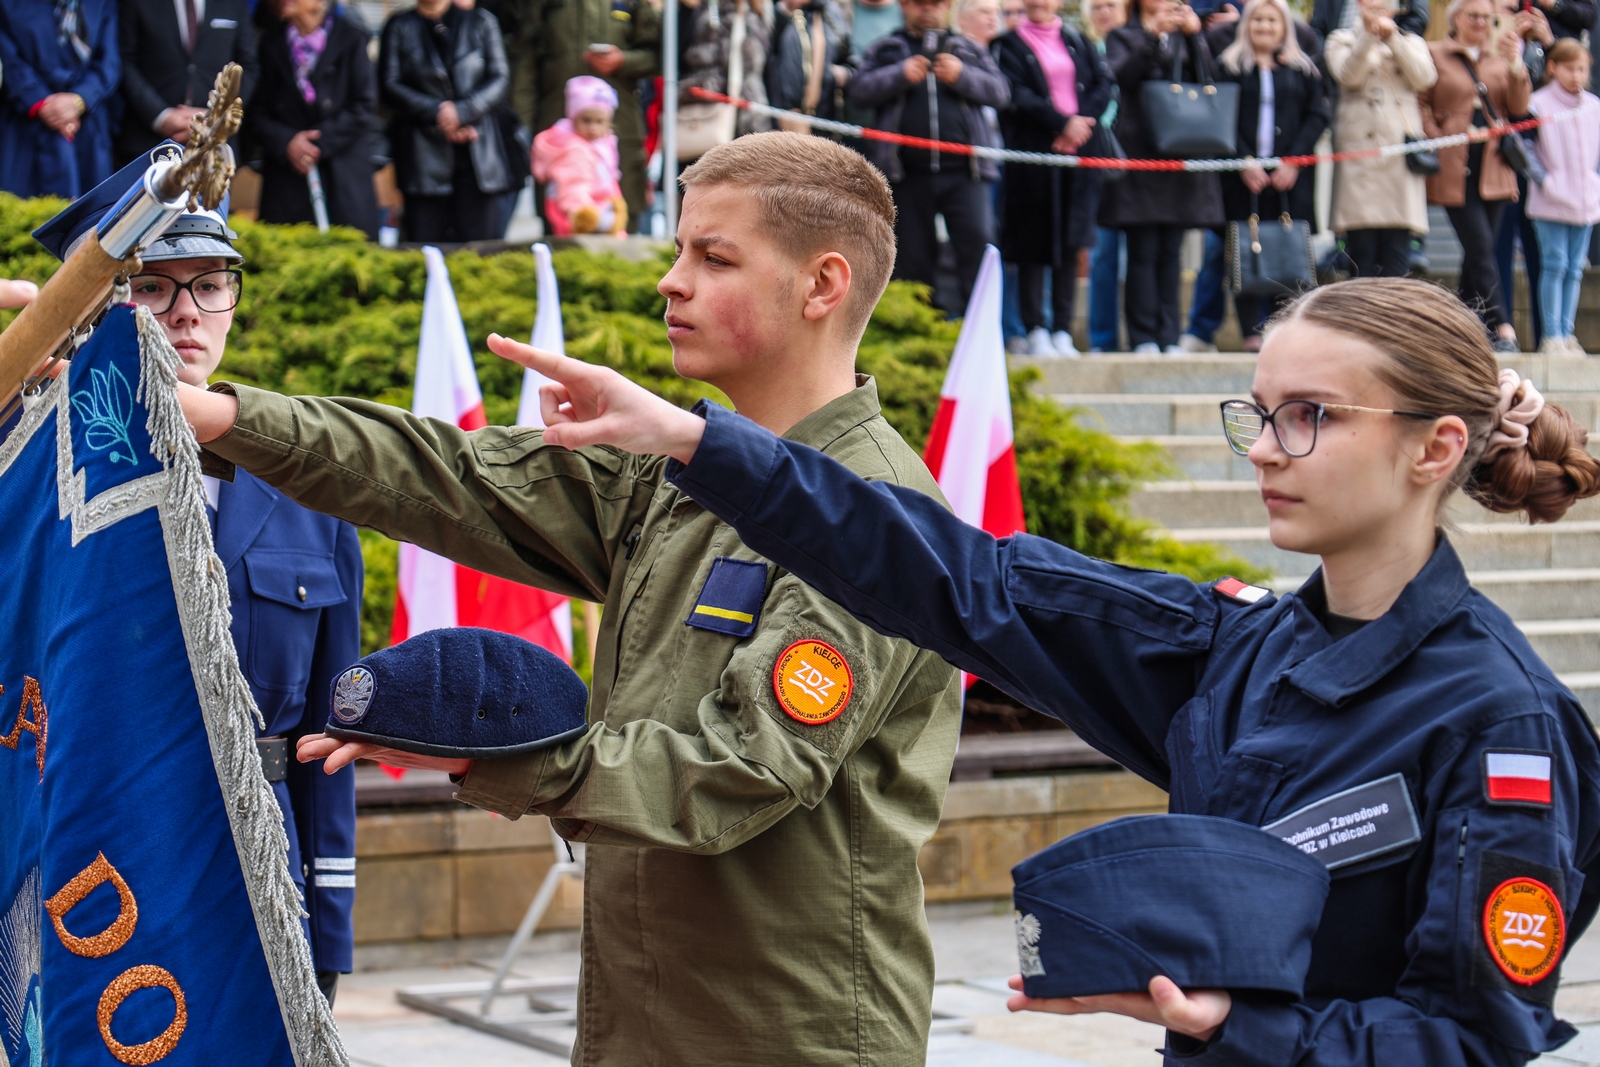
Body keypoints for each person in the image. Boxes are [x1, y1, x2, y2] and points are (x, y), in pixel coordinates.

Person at [493, 274, 1600, 1067]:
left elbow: (1472, 1035)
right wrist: (698, 442)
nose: (1266, 447)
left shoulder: (1501, 722)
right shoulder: (1235, 649)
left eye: (1311, 417)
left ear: (1434, 446)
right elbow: (960, 578)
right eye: (1261, 414)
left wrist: (1238, 1023)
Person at [174, 132, 963, 1067]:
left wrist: (494, 755)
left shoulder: (875, 518)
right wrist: (221, 416)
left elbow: (738, 770)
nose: (670, 281)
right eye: (679, 250)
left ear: (822, 285)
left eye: (714, 258)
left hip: (788, 1036)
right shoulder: (686, 472)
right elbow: (447, 476)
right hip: (639, 1020)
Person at [30, 156, 363, 1006]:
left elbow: (329, 733)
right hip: (100, 869)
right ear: (97, 309)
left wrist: (327, 919)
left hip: (260, 874)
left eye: (211, 285)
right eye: (152, 287)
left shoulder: (306, 490)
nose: (187, 312)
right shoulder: (46, 487)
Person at [852, 0, 1010, 313]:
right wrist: (900, 74)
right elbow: (859, 90)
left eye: (934, 3)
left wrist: (962, 75)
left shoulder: (967, 48)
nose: (927, 10)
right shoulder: (888, 48)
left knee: (977, 252)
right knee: (911, 260)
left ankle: (979, 330)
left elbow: (1001, 92)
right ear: (903, 6)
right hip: (906, 174)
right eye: (918, 3)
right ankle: (920, 330)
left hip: (967, 174)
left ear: (947, 6)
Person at [1100, 0, 1224, 353]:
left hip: (1181, 152)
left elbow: (1210, 82)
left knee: (1171, 251)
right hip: (1140, 154)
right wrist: (1152, 38)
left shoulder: (1188, 36)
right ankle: (1142, 337)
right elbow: (1120, 77)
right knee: (1142, 250)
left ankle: (1169, 336)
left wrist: (1195, 37)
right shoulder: (1123, 35)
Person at [992, 0, 1113, 354]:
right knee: (1033, 241)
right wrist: (1060, 124)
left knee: (1072, 241)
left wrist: (1079, 125)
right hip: (1033, 158)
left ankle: (1063, 328)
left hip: (1079, 155)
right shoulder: (1007, 45)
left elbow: (1103, 83)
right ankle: (1035, 327)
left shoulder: (1078, 40)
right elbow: (1015, 93)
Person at [1214, 0, 1329, 349]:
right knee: (1244, 249)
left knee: (1289, 250)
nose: (1264, 26)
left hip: (1290, 178)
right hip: (1242, 177)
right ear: (1246, 25)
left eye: (1272, 20)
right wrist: (1242, 160)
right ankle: (1251, 332)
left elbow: (1317, 115)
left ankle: (1285, 332)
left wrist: (1293, 160)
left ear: (1285, 27)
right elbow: (1221, 116)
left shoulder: (1302, 68)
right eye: (1258, 20)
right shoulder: (1228, 66)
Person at [1422, 0, 1532, 353]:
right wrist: (1438, 136)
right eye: (1474, 16)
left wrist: (1515, 64)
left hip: (1494, 167)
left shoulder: (1499, 59)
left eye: (1487, 18)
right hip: (1455, 167)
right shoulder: (1434, 53)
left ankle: (1459, 329)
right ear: (1456, 18)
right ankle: (1502, 327)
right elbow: (1421, 101)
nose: (1481, 23)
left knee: (1476, 254)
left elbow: (1518, 108)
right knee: (1481, 247)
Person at [379, 0, 514, 243]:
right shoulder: (399, 26)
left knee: (481, 248)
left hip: (478, 152)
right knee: (427, 245)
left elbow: (500, 78)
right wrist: (438, 112)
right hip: (423, 155)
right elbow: (389, 84)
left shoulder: (481, 22)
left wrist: (463, 111)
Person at [520, 0, 660, 229]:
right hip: (556, 125)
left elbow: (662, 53)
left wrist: (624, 61)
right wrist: (523, 127)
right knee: (561, 218)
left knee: (621, 217)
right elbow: (525, 56)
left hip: (619, 129)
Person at [249, 0, 379, 237]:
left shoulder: (352, 39)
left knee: (348, 250)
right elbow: (256, 111)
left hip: (343, 174)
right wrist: (288, 142)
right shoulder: (270, 42)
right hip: (287, 178)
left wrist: (315, 143)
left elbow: (363, 104)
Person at [1326, 0, 1436, 280]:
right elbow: (1348, 76)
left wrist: (1393, 38)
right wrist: (1367, 36)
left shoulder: (1411, 40)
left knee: (1396, 252)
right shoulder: (1341, 39)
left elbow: (1425, 77)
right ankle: (1360, 309)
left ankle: (1393, 308)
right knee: (1361, 252)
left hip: (1397, 154)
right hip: (1358, 155)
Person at [0, 0, 120, 199]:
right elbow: (10, 60)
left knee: (92, 211)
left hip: (87, 129)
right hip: (25, 130)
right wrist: (43, 103)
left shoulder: (101, 3)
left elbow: (109, 61)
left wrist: (79, 99)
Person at [116, 0, 259, 166]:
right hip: (147, 142)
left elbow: (248, 66)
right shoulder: (137, 3)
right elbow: (124, 61)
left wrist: (216, 118)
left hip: (215, 149)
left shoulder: (234, 4)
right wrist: (161, 116)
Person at [1526, 38, 1600, 355]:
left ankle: (1567, 333)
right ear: (1553, 68)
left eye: (1581, 69)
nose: (1576, 75)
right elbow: (1525, 149)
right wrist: (1546, 181)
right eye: (1570, 68)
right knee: (1554, 264)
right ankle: (1551, 335)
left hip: (1586, 201)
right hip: (1551, 201)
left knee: (1575, 268)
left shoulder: (1594, 105)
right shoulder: (1538, 103)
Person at [1493, 0, 1554, 348]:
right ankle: (1499, 332)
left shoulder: (1540, 47)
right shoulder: (1483, 50)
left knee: (1541, 250)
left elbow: (1559, 88)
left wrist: (1548, 44)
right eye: (1503, 8)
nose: (1512, 15)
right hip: (1499, 160)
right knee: (1494, 247)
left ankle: (1551, 333)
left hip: (1541, 162)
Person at [1082, 0, 1126, 353]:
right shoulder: (1085, 49)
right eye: (1096, 6)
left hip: (1140, 164)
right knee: (1103, 254)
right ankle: (1103, 339)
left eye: (1110, 4)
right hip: (1099, 160)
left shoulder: (1134, 46)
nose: (1103, 12)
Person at [533, 76, 629, 236]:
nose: (593, 128)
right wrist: (582, 214)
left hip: (600, 210)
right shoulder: (575, 149)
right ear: (573, 118)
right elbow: (573, 186)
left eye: (599, 122)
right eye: (586, 121)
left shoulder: (601, 146)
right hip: (579, 217)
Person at [680, 0, 772, 138]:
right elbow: (680, 54)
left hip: (748, 109)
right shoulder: (705, 9)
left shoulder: (756, 11)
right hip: (710, 108)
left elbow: (765, 68)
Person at [767, 0, 856, 125]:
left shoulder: (831, 13)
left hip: (824, 114)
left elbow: (850, 61)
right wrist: (786, 10)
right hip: (782, 113)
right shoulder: (778, 12)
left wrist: (843, 74)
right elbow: (769, 59)